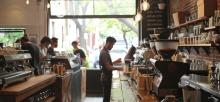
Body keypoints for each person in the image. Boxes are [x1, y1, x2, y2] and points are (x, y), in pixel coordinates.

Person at [99, 36, 123, 102]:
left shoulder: (106, 51)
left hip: (107, 77)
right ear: (108, 43)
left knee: (107, 97)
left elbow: (107, 63)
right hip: (105, 78)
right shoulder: (103, 52)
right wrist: (119, 68)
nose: (112, 46)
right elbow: (108, 67)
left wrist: (116, 61)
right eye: (112, 44)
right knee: (106, 98)